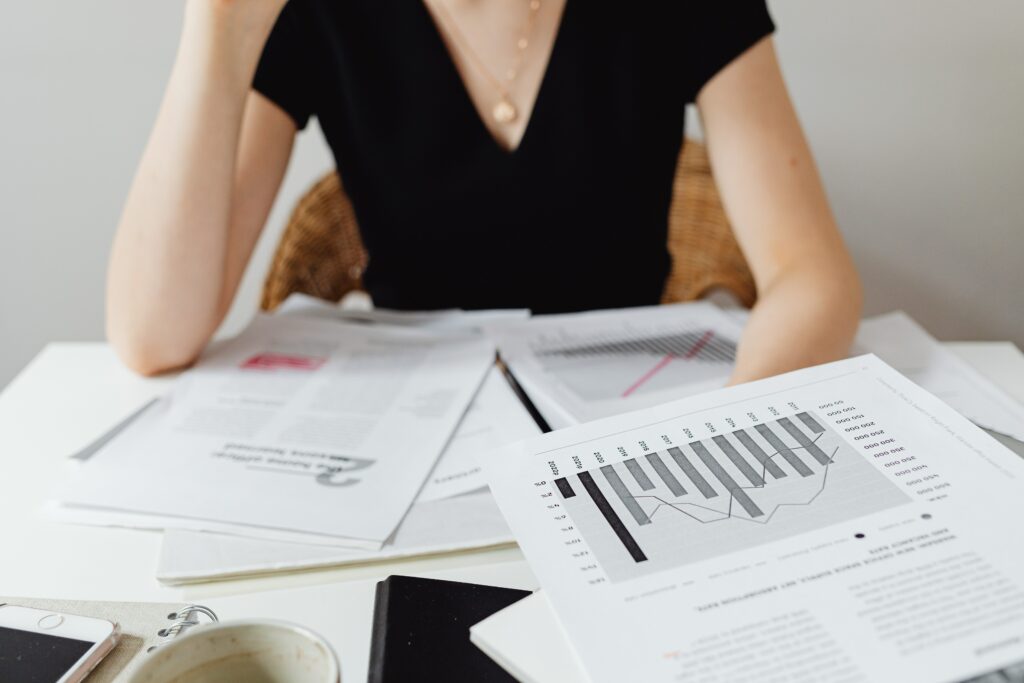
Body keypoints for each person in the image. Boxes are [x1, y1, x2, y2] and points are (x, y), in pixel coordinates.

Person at [107, 0, 862, 384]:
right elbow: (151, 336)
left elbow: (811, 277)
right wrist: (216, 29)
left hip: (624, 415)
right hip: (411, 438)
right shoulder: (319, 11)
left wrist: (734, 424)